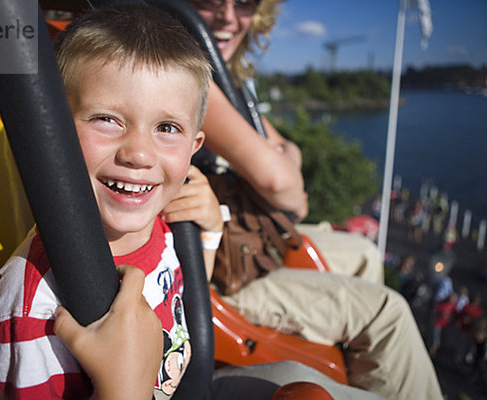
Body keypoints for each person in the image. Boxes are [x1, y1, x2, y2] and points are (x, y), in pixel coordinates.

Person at [0, 5, 383, 400]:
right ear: (56, 131)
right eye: (107, 119)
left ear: (194, 149)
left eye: (167, 128)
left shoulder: (156, 226)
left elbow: (182, 302)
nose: (139, 153)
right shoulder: (32, 305)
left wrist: (208, 234)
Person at [187, 0, 443, 398]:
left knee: (363, 253)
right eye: (208, 0)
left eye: (244, 3)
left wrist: (284, 166)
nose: (227, 16)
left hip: (244, 242)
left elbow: (288, 153)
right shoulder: (190, 75)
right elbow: (281, 182)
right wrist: (283, 170)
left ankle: (360, 370)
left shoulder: (231, 82)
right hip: (222, 267)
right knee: (388, 314)